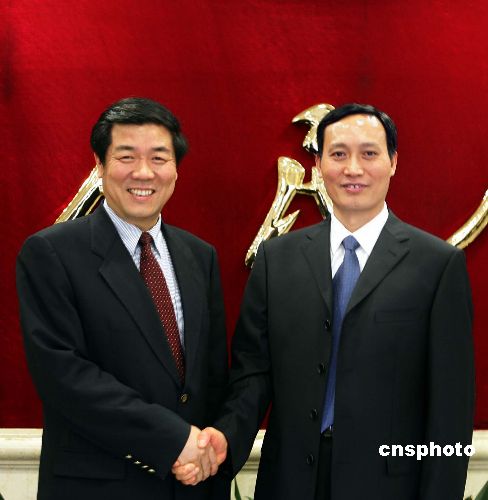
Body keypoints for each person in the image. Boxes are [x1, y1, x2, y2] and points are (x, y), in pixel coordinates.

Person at [175, 103, 475, 499]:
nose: (353, 168)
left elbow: (451, 409)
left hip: (389, 486)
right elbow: (253, 374)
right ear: (318, 165)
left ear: (393, 162)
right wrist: (226, 435)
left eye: (369, 153)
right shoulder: (276, 259)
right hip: (289, 482)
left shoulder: (437, 265)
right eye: (338, 154)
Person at [16, 97, 229, 500]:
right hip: (97, 486)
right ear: (99, 165)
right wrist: (173, 439)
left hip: (191, 484)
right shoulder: (52, 253)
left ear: (176, 169)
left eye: (159, 158)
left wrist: (211, 443)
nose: (143, 172)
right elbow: (63, 375)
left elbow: (213, 375)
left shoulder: (199, 256)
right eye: (126, 156)